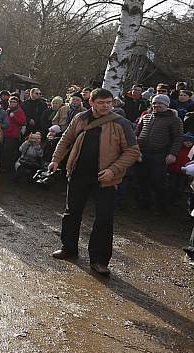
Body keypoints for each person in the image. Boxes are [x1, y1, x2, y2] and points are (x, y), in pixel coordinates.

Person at [48, 88, 140, 275]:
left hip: (106, 179)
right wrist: (56, 160)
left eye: (109, 102)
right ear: (91, 102)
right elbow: (66, 139)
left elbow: (133, 151)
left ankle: (99, 261)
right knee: (71, 212)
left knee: (104, 218)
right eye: (101, 102)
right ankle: (68, 248)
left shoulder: (121, 123)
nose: (106, 106)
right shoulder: (81, 118)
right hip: (79, 174)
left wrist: (112, 170)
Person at [134, 94, 183, 216]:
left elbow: (178, 138)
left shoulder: (174, 120)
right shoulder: (146, 117)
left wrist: (172, 154)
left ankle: (161, 207)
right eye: (155, 103)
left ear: (166, 105)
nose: (157, 105)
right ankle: (145, 201)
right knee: (141, 179)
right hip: (142, 153)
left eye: (160, 103)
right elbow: (137, 133)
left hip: (160, 155)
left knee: (158, 181)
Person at [2, 96, 26, 173]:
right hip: (6, 134)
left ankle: (9, 168)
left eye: (14, 102)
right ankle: (6, 167)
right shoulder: (8, 110)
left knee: (10, 152)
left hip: (13, 135)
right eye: (11, 102)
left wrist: (14, 117)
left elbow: (22, 122)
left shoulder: (19, 111)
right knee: (5, 152)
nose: (12, 103)